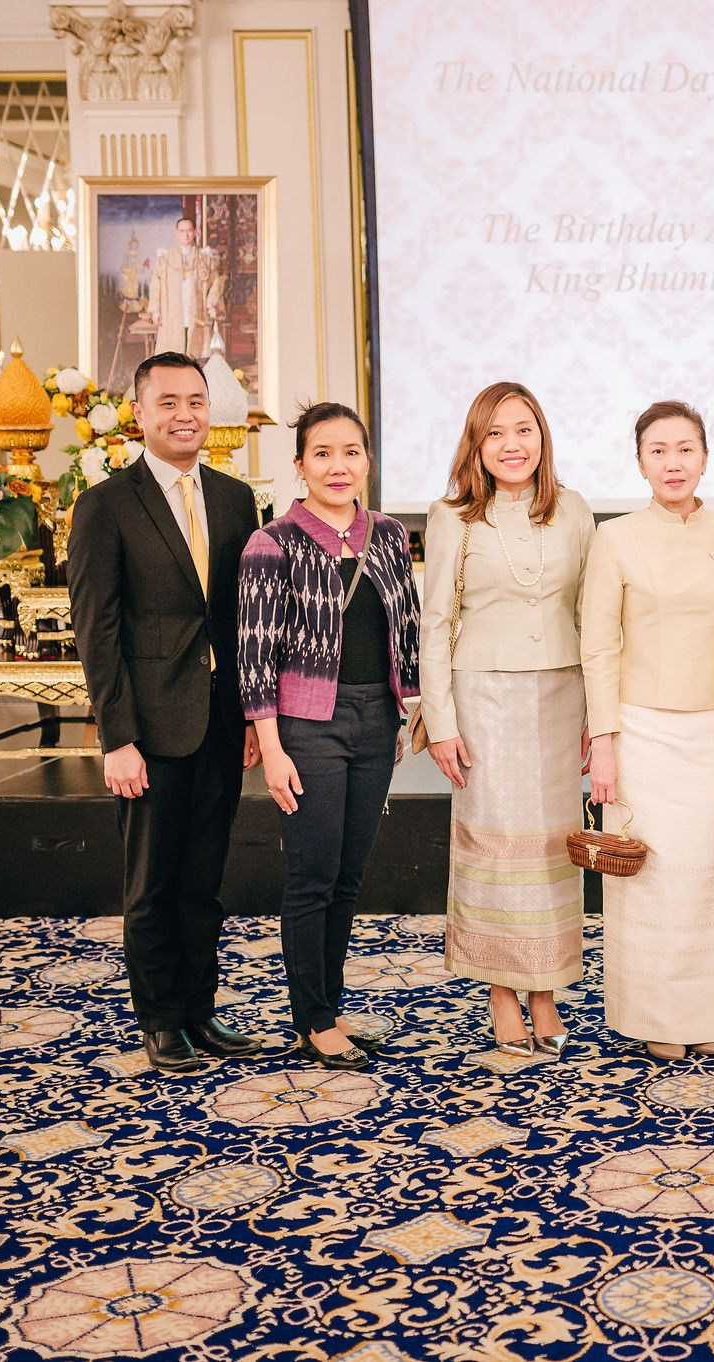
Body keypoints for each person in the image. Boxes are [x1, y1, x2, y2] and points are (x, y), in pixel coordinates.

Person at [66, 351, 263, 1074]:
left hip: (218, 722)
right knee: (150, 883)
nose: (185, 414)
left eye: (196, 401)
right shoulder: (106, 505)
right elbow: (98, 631)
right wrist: (118, 737)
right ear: (140, 414)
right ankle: (160, 1021)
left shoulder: (237, 498)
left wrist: (248, 717)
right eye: (169, 402)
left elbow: (243, 619)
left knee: (203, 882)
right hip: (147, 728)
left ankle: (202, 1013)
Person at [237, 402, 421, 1072]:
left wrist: (407, 708)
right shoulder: (274, 542)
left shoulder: (392, 536)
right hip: (308, 726)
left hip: (378, 720)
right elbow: (253, 652)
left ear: (367, 460)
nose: (338, 465)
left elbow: (407, 631)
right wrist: (272, 745)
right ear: (299, 465)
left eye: (351, 452)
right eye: (323, 453)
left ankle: (329, 1008)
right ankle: (311, 1019)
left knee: (348, 876)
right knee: (312, 876)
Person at [420, 382, 595, 1058]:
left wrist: (595, 717)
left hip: (559, 697)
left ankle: (545, 991)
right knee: (494, 853)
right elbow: (435, 624)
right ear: (477, 444)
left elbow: (589, 618)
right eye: (495, 433)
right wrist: (440, 722)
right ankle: (499, 992)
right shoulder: (452, 515)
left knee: (552, 851)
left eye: (524, 430)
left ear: (542, 438)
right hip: (483, 698)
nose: (512, 444)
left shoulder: (574, 510)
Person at [581, 401, 714, 1061]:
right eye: (659, 450)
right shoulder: (616, 537)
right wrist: (604, 739)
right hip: (640, 729)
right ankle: (656, 1016)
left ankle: (706, 1014)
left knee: (707, 878)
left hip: (713, 726)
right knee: (652, 878)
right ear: (640, 462)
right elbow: (598, 645)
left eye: (685, 449)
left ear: (705, 456)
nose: (673, 462)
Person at [147, 215, 223, 358]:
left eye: (189, 231)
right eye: (182, 231)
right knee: (173, 352)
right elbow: (155, 285)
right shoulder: (165, 257)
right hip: (172, 312)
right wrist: (155, 310)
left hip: (196, 310)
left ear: (195, 232)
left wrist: (211, 303)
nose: (186, 234)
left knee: (195, 351)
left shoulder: (204, 257)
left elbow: (215, 283)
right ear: (176, 232)